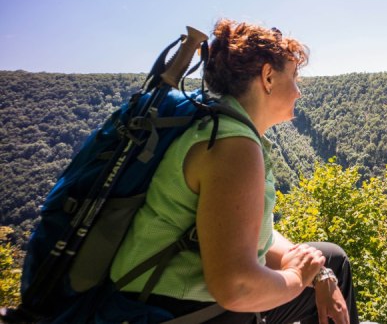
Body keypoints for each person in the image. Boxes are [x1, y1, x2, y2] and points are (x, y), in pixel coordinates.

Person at [109, 19, 358, 324]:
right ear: (268, 77)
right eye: (294, 77)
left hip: (158, 296)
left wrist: (315, 271)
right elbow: (236, 288)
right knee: (320, 274)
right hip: (166, 309)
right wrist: (296, 276)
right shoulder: (233, 147)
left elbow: (248, 232)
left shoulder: (221, 126)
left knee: (331, 260)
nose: (298, 92)